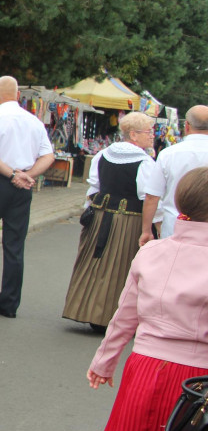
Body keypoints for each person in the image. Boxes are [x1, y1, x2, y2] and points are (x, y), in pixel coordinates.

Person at [86, 167, 208, 431]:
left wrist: (104, 362)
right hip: (201, 381)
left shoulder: (152, 251)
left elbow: (125, 315)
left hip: (147, 372)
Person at [0, 75, 54, 318]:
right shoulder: (34, 121)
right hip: (22, 185)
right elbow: (48, 156)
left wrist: (11, 174)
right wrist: (26, 175)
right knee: (15, 244)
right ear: (18, 95)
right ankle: (9, 303)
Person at [62, 111, 155, 332]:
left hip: (100, 216)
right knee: (119, 265)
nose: (152, 136)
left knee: (95, 262)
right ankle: (109, 317)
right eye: (148, 132)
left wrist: (88, 214)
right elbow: (147, 197)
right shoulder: (144, 162)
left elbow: (94, 188)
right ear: (133, 134)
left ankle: (84, 310)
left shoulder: (103, 154)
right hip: (128, 221)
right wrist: (150, 228)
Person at [140, 104, 208, 245]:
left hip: (175, 227)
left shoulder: (168, 154)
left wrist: (146, 231)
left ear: (187, 126)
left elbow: (152, 196)